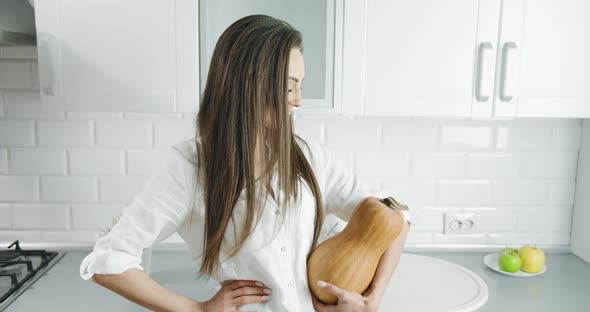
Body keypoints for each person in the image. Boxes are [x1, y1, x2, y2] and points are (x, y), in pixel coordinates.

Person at [79, 14, 411, 312]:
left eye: (300, 86)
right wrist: (198, 310)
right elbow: (108, 262)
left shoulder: (307, 157)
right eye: (288, 87)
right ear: (249, 85)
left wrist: (372, 299)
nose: (299, 100)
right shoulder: (189, 168)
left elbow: (395, 216)